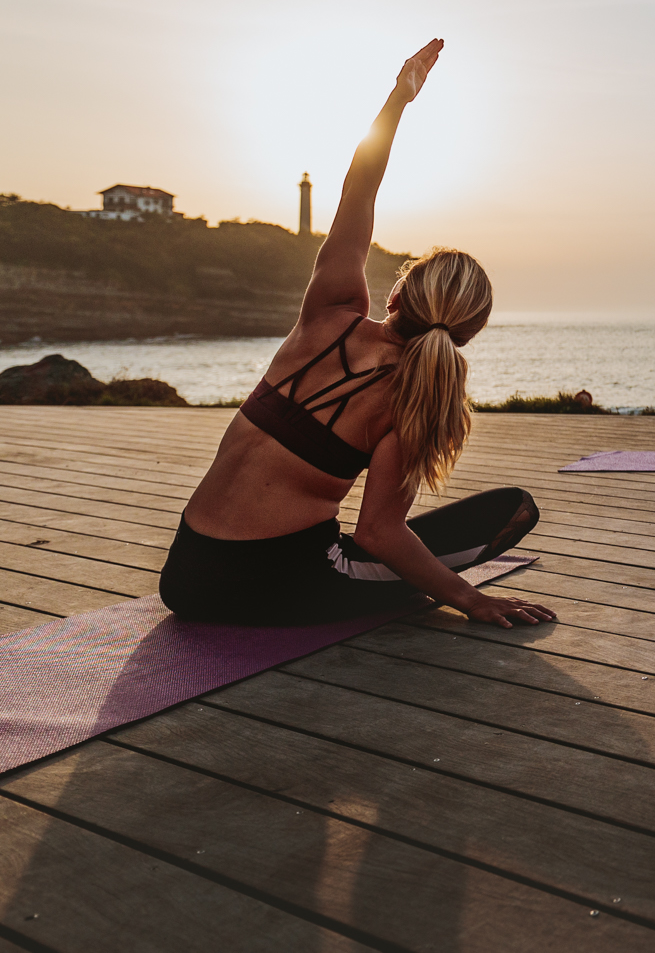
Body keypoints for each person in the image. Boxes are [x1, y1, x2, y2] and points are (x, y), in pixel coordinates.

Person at [159, 40, 554, 630]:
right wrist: (472, 600)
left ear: (396, 294)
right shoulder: (412, 396)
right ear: (468, 334)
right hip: (269, 586)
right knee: (513, 509)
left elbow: (359, 188)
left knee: (376, 540)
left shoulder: (328, 314)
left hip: (185, 576)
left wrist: (399, 98)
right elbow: (378, 534)